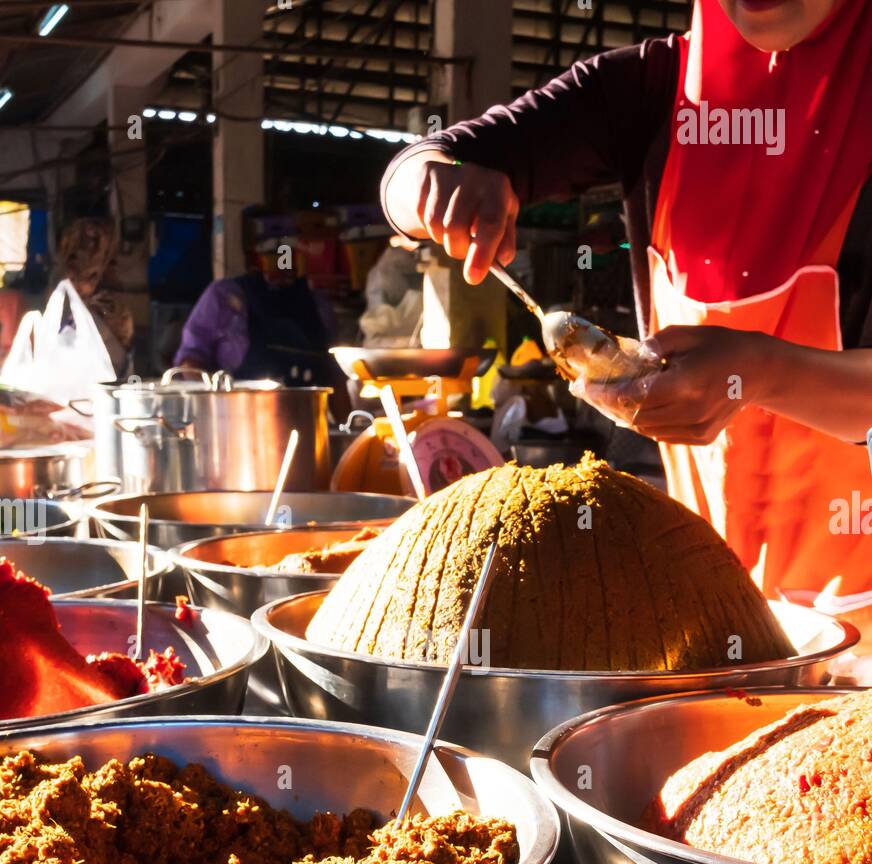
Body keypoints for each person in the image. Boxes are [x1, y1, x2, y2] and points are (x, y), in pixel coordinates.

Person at [380, 0, 872, 619]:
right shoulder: (647, 89)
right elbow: (415, 167)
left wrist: (760, 372)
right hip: (720, 607)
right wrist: (433, 182)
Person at [174, 258, 349, 416]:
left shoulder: (318, 306)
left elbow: (335, 377)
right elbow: (190, 363)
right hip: (237, 427)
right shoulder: (225, 297)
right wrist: (214, 410)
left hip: (307, 429)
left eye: (286, 253)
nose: (280, 263)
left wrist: (348, 433)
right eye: (273, 253)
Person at [56, 217, 134, 379]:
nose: (74, 282)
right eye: (72, 271)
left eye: (90, 275)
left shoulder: (109, 310)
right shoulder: (69, 304)